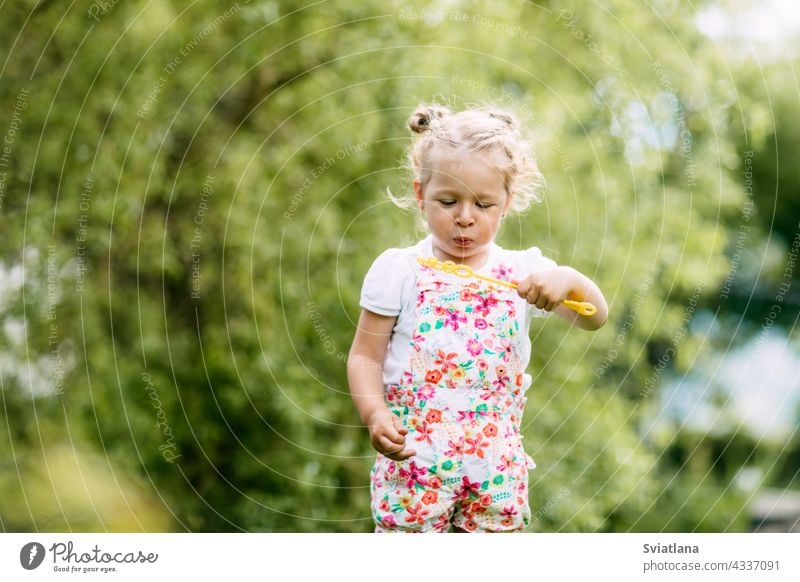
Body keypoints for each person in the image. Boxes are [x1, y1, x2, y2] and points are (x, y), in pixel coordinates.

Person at [347, 103, 608, 533]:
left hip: (495, 474)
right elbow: (364, 357)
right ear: (419, 195)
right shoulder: (400, 270)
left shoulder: (526, 271)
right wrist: (375, 414)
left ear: (506, 203)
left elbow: (594, 318)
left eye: (484, 204)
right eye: (448, 201)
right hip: (413, 469)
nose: (465, 217)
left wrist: (571, 281)